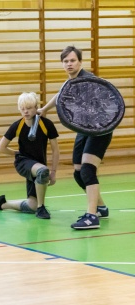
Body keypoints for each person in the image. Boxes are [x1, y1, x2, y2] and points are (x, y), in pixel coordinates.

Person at [37, 45, 111, 230]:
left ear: (80, 62)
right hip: (84, 130)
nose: (69, 64)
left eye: (72, 60)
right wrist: (44, 109)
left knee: (87, 170)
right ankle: (101, 207)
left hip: (100, 131)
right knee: (78, 173)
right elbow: (60, 95)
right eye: (66, 61)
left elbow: (106, 105)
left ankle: (91, 217)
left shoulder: (89, 81)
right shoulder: (71, 82)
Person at [0, 92, 60, 219]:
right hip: (23, 162)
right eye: (22, 109)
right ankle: (41, 208)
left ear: (36, 108)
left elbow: (55, 150)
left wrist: (53, 172)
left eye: (29, 108)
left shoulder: (46, 124)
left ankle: (3, 204)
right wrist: (16, 153)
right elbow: (1, 148)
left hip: (38, 164)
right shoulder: (17, 125)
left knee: (31, 206)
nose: (25, 111)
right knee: (42, 171)